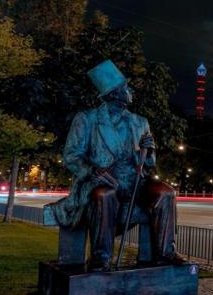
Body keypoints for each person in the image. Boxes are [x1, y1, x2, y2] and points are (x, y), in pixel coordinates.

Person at [50, 60, 185, 271]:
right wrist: (93, 171)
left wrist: (148, 151)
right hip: (101, 182)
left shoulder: (140, 122)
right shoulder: (87, 119)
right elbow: (71, 155)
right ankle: (100, 258)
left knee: (166, 192)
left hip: (134, 183)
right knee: (104, 195)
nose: (131, 91)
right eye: (126, 88)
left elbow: (149, 163)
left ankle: (165, 252)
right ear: (113, 94)